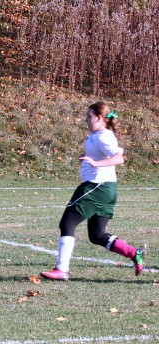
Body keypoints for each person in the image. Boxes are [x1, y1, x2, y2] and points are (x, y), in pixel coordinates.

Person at [41, 102, 144, 281]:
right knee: (97, 235)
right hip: (106, 189)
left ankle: (62, 269)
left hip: (97, 187)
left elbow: (119, 158)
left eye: (89, 116)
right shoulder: (98, 135)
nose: (86, 119)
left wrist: (96, 163)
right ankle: (134, 253)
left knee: (67, 223)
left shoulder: (103, 136)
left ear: (99, 118)